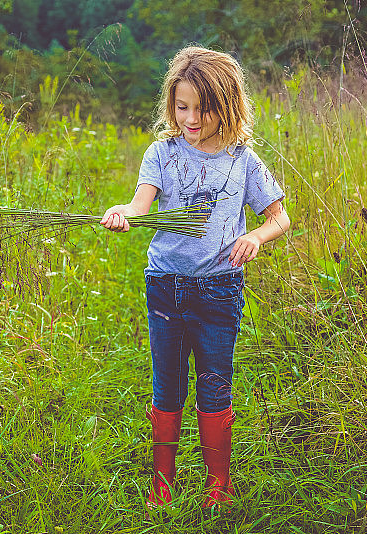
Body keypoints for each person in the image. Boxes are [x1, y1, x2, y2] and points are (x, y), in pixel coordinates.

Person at [100, 46, 290, 510]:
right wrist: (122, 213)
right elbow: (139, 206)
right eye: (181, 107)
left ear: (226, 105)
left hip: (219, 291)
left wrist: (255, 237)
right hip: (166, 287)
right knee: (167, 386)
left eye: (202, 109)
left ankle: (218, 487)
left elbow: (280, 218)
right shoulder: (161, 154)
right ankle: (161, 484)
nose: (190, 119)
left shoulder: (242, 161)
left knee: (214, 385)